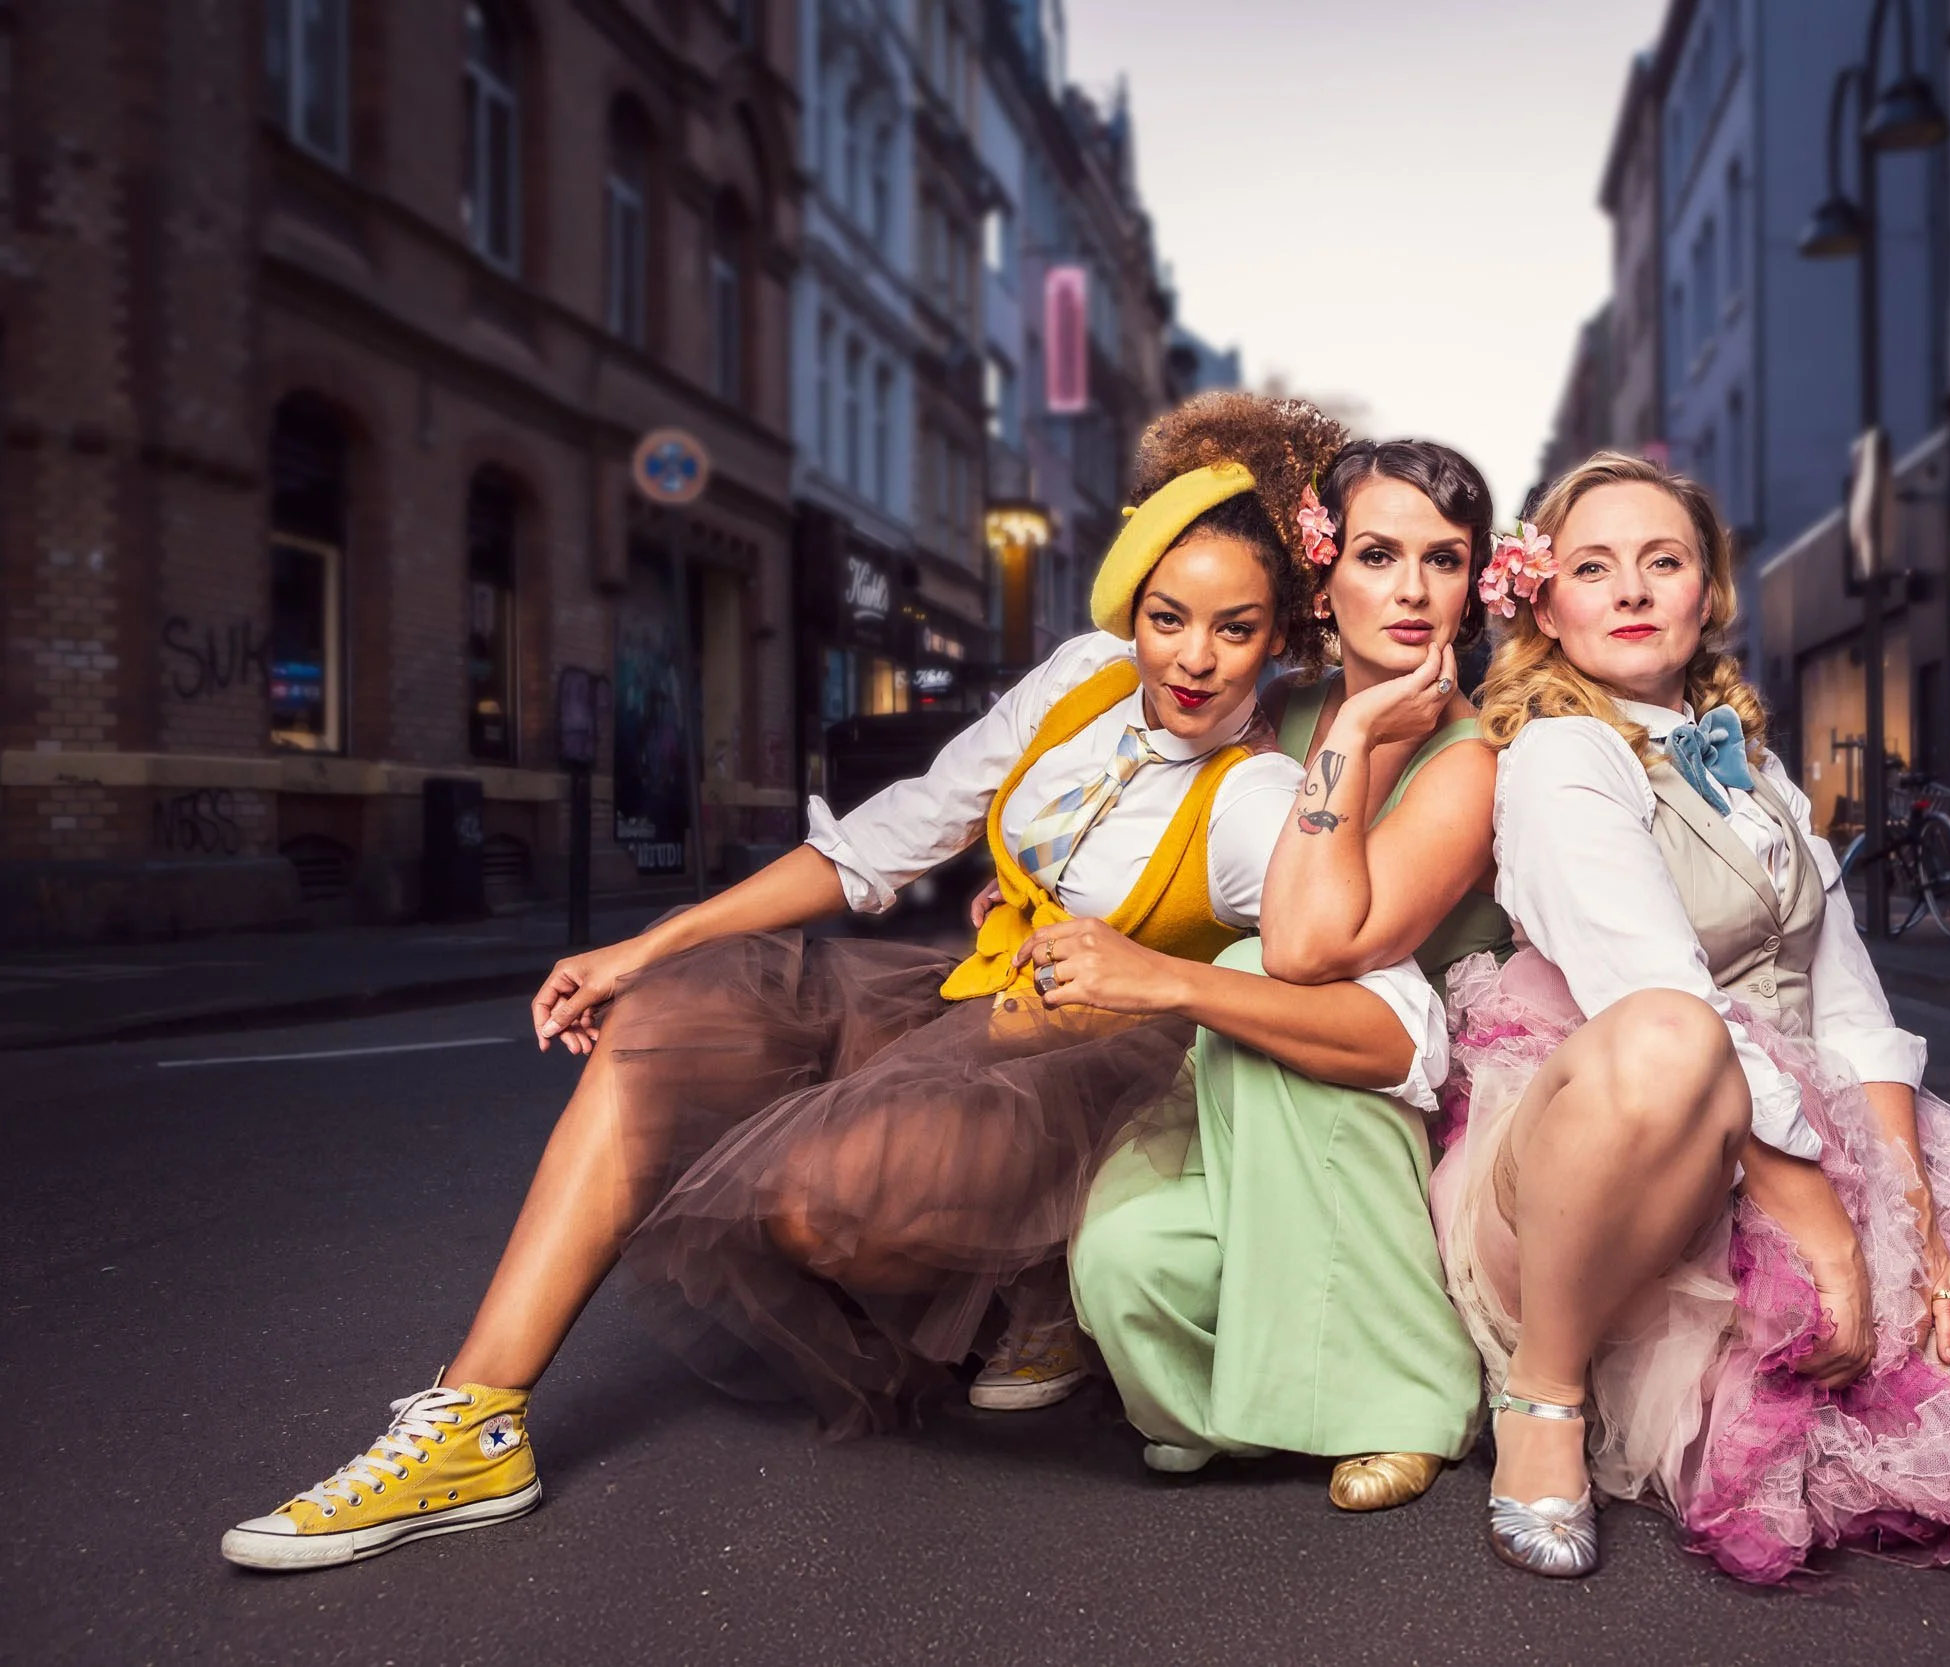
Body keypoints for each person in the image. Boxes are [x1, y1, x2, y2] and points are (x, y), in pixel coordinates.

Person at [220, 394, 1450, 1572]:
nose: (1191, 660)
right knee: (664, 1021)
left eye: (1236, 630)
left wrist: (1205, 924)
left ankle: (1040, 1273)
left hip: (1080, 1065)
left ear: (1280, 632)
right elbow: (890, 833)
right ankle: (473, 1420)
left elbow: (1343, 972)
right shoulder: (1079, 675)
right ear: (1129, 602)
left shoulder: (1249, 802)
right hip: (955, 998)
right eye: (1168, 616)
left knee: (813, 1204)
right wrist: (647, 943)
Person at [1395, 450, 1950, 1581]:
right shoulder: (1558, 754)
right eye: (1593, 565)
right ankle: (1547, 1390)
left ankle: (1832, 1426)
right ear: (1543, 597)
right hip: (1614, 1162)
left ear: (1707, 592)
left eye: (1662, 561)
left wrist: (1909, 1219)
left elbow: (1849, 1006)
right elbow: (1658, 994)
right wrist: (1827, 1229)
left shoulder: (1759, 775)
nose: (1631, 590)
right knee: (1675, 1035)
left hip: (1801, 1128)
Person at [1072, 439, 1508, 1512]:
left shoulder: (1469, 757)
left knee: (1249, 978)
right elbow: (1173, 832)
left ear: (1475, 581)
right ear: (1324, 577)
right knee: (1125, 1258)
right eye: (1376, 554)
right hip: (1254, 1050)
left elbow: (1307, 948)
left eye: (1443, 559)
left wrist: (1359, 728)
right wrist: (1051, 899)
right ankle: (1244, 1403)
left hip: (1393, 1073)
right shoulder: (1282, 703)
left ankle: (1403, 1393)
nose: (1410, 589)